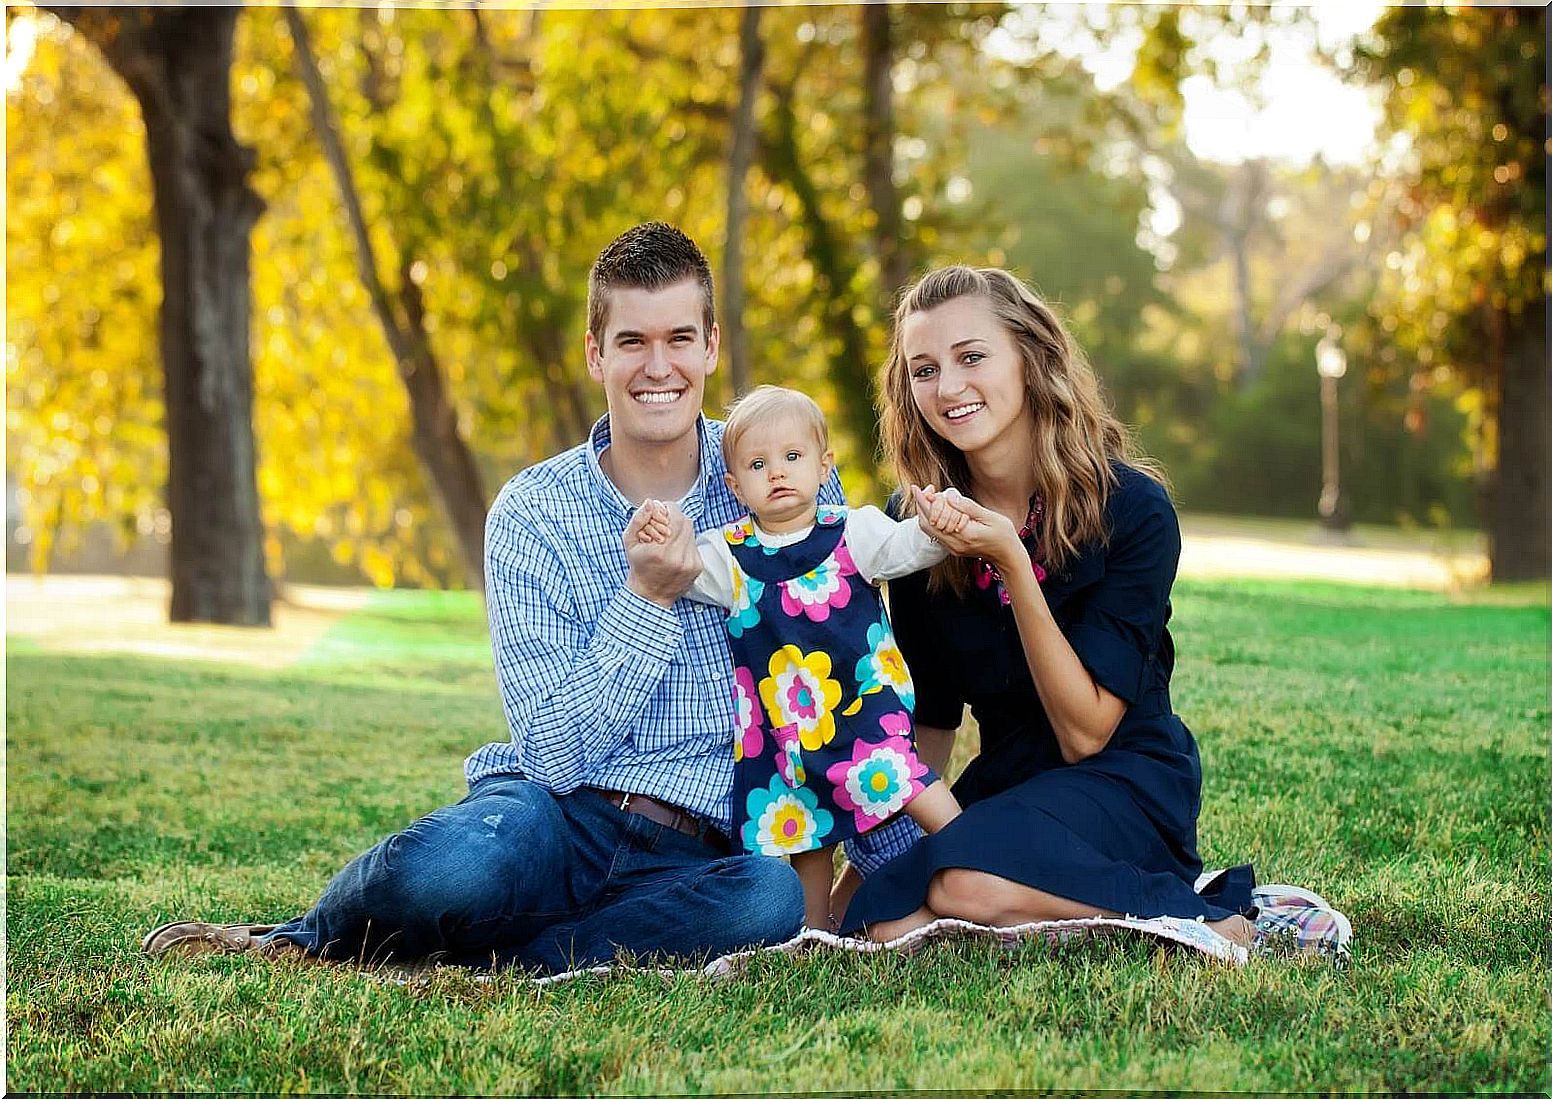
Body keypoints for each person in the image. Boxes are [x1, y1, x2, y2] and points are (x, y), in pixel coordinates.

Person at [143, 222, 907, 973]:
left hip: (708, 846)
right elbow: (551, 752)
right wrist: (646, 596)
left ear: (711, 346)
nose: (658, 366)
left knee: (766, 903)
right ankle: (302, 939)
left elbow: (841, 679)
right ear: (594, 354)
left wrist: (889, 845)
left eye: (679, 338)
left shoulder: (785, 480)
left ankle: (505, 959)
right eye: (631, 342)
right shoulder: (532, 511)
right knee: (452, 870)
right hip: (556, 817)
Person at [836, 265, 1256, 946]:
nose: (948, 387)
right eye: (924, 369)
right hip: (1011, 783)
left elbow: (1085, 732)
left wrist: (1010, 560)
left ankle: (1196, 918)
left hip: (1125, 778)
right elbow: (933, 719)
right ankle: (1066, 918)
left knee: (962, 886)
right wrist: (876, 859)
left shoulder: (1133, 510)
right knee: (883, 919)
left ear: (1031, 361)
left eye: (972, 357)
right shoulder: (918, 529)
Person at [633, 385, 962, 929]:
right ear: (736, 486)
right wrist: (660, 534)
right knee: (805, 826)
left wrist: (936, 527)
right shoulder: (731, 555)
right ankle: (813, 931)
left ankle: (974, 862)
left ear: (823, 463)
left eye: (792, 458)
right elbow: (680, 567)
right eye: (758, 465)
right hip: (786, 730)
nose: (778, 474)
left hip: (863, 707)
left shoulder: (852, 531)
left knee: (906, 782)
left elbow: (909, 549)